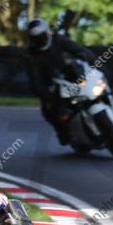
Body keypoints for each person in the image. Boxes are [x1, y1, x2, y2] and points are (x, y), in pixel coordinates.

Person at [26, 18, 96, 146]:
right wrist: (43, 92)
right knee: (48, 110)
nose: (39, 40)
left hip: (70, 73)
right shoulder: (31, 55)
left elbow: (78, 50)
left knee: (97, 78)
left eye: (41, 36)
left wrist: (85, 56)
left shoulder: (59, 40)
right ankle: (62, 131)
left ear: (47, 33)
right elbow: (34, 79)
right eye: (35, 38)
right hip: (51, 83)